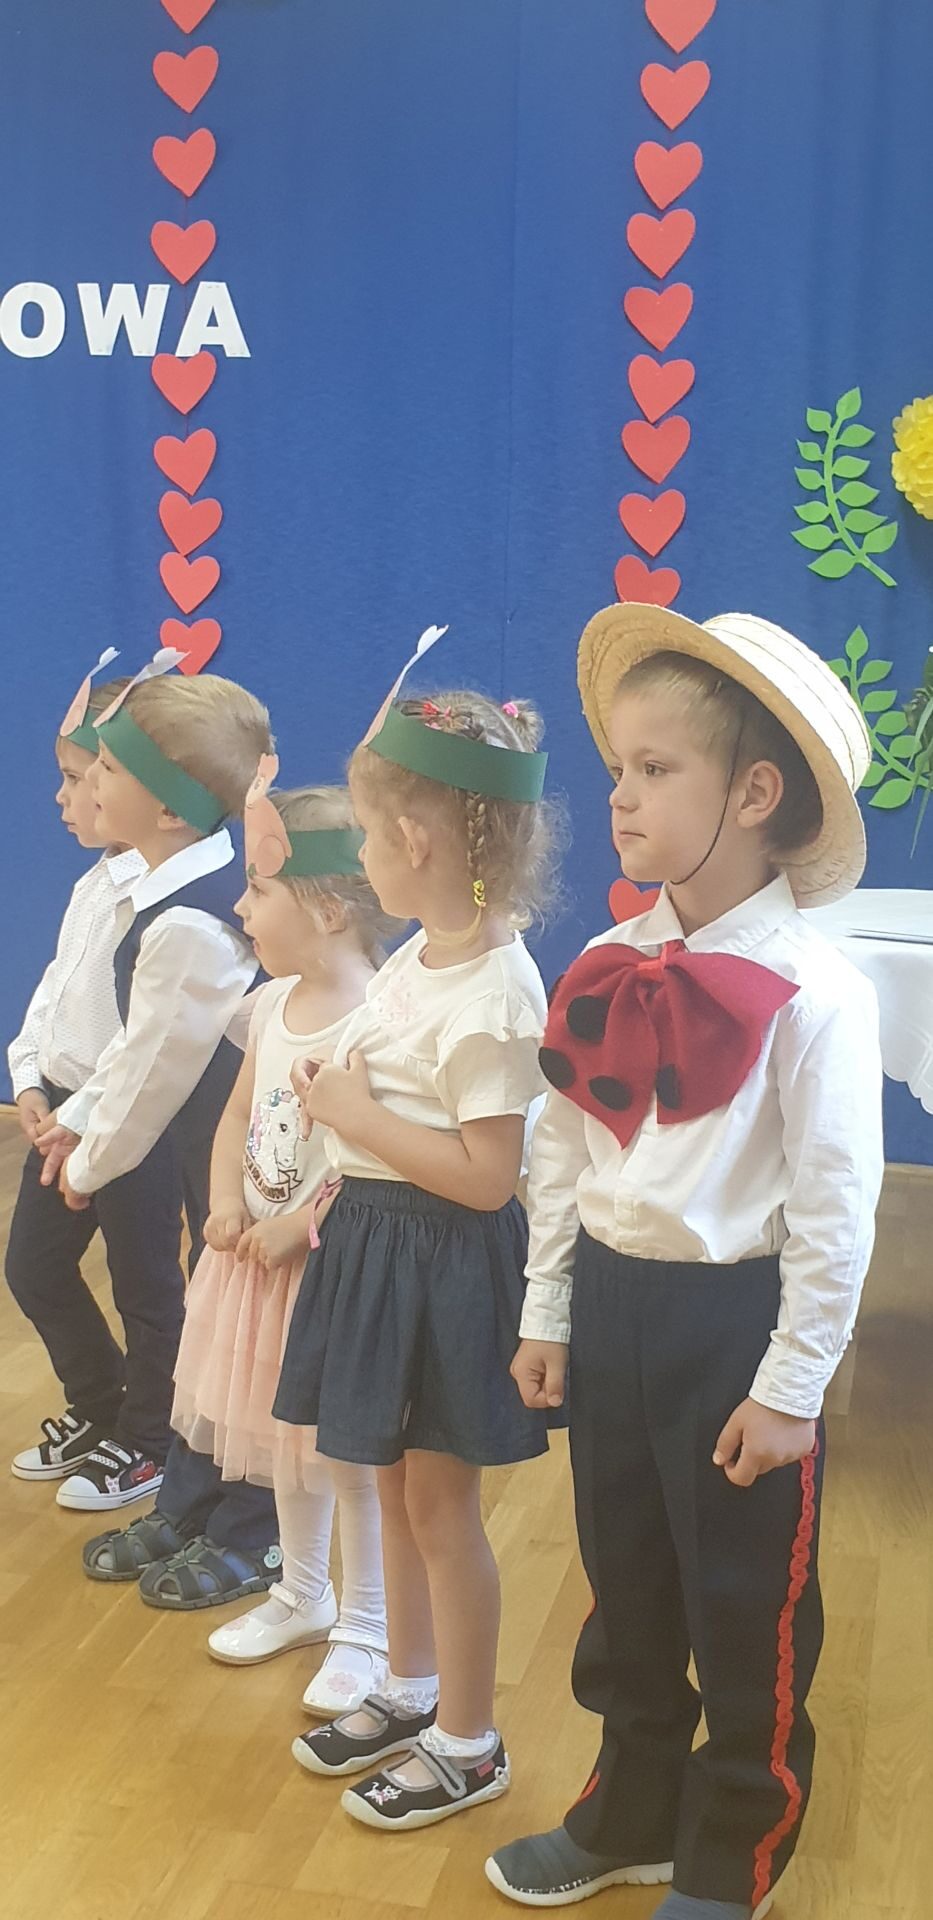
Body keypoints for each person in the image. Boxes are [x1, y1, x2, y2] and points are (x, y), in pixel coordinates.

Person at [487, 606, 885, 1920]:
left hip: (735, 1329)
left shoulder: (816, 992)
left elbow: (836, 1210)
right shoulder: (604, 961)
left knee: (742, 1599)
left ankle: (734, 1846)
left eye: (654, 769)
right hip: (613, 1307)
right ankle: (633, 1807)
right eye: (618, 767)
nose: (620, 796)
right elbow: (560, 1149)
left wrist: (791, 1386)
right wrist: (549, 1308)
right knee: (627, 1579)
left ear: (754, 794)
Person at [275, 683, 561, 1828]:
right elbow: (382, 1073)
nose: (358, 860)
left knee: (441, 1509)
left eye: (362, 834)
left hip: (442, 1263)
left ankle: (469, 1740)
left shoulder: (495, 989)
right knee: (392, 1493)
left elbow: (488, 1176)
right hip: (380, 1246)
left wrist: (354, 1111)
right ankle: (409, 1683)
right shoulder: (421, 959)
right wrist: (335, 1086)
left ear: (414, 838)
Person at [34, 664, 276, 1585]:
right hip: (207, 1153)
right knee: (212, 1322)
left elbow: (154, 1071)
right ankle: (195, 1496)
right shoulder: (160, 893)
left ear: (169, 809)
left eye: (108, 770)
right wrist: (78, 1117)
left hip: (247, 1162)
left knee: (242, 1330)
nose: (90, 781)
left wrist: (86, 1159)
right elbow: (135, 1048)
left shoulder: (189, 922)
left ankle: (252, 1525)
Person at [171, 777, 396, 1712]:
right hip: (256, 1274)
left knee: (347, 1461)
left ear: (327, 908)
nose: (239, 906)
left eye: (259, 889)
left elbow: (379, 1165)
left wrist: (296, 1228)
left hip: (331, 1277)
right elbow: (234, 1116)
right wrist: (226, 1199)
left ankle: (368, 1625)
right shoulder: (268, 1007)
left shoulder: (377, 1022)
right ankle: (303, 1593)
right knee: (281, 1443)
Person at [6, 667, 161, 1483]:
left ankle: (150, 1441)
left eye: (81, 777)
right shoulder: (94, 884)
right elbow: (52, 993)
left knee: (145, 1285)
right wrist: (30, 1080)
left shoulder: (159, 902)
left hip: (129, 1116)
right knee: (32, 1266)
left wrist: (84, 1116)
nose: (66, 797)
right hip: (62, 1112)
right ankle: (102, 1405)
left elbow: (144, 1040)